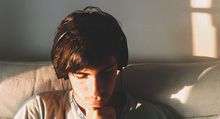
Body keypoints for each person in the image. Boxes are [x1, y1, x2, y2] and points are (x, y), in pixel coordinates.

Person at [14, 7, 177, 119]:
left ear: (120, 65)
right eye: (82, 75)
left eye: (106, 73)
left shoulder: (152, 115)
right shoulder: (39, 111)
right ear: (65, 73)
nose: (96, 89)